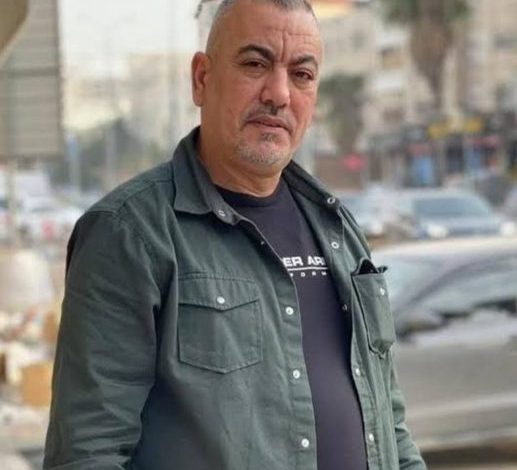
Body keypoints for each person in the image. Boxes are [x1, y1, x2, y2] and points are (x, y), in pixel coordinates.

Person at [44, 0, 427, 469]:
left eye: (302, 74)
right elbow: (88, 453)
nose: (279, 94)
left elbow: (390, 421)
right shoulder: (130, 234)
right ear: (201, 79)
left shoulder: (338, 227)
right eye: (255, 64)